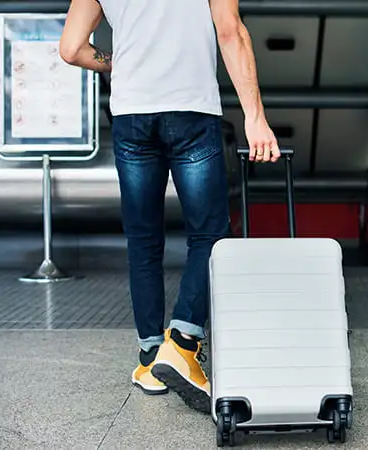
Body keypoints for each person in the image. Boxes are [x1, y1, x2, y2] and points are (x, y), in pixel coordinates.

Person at [59, 0, 280, 414]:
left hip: (131, 114)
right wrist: (255, 116)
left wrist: (117, 63)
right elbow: (230, 30)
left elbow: (72, 49)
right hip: (191, 110)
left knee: (143, 239)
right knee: (210, 234)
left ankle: (149, 358)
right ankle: (181, 344)